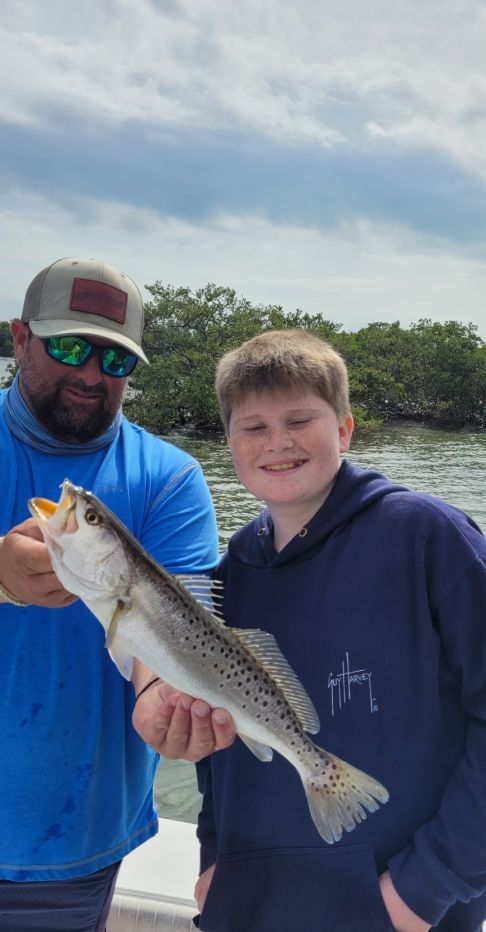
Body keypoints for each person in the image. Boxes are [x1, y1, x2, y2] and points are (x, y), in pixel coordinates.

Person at [193, 329, 486, 932]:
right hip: (247, 902)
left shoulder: (430, 538)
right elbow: (220, 728)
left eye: (300, 419)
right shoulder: (230, 573)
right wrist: (212, 855)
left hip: (400, 909)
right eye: (253, 428)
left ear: (346, 429)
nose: (277, 442)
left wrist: (423, 889)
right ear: (229, 443)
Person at [0, 257, 234, 932]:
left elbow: (172, 629)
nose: (91, 375)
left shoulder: (170, 479)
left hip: (73, 836)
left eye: (115, 361)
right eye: (69, 347)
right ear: (19, 337)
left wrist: (164, 697)